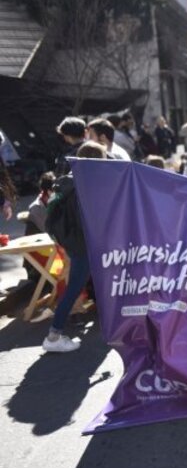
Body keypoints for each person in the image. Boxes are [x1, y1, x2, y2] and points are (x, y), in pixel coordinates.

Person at [42, 141, 107, 352]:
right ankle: (53, 336)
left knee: (88, 283)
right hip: (84, 244)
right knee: (74, 288)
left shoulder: (69, 181)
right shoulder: (87, 185)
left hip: (73, 241)